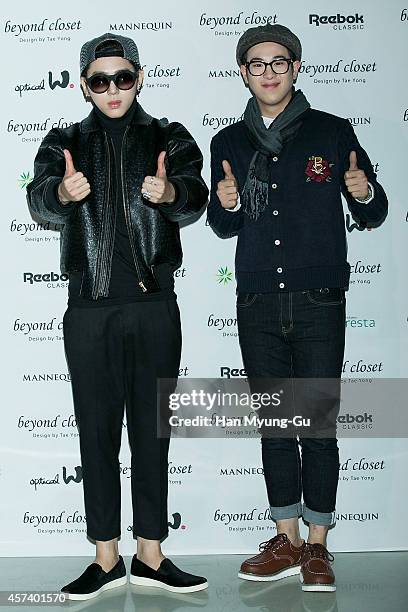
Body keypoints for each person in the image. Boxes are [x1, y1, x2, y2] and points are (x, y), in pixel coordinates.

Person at [27, 32, 209, 601]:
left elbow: (197, 196)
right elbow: (36, 199)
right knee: (96, 434)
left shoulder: (169, 136)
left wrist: (169, 191)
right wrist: (61, 191)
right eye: (100, 80)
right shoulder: (63, 141)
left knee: (152, 434)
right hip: (89, 309)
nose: (112, 89)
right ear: (84, 84)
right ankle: (105, 557)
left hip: (155, 305)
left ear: (139, 78)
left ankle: (151, 554)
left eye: (123, 77)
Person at [207, 24, 387, 592]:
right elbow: (222, 224)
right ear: (243, 71)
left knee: (317, 426)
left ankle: (317, 546)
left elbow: (375, 210)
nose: (268, 71)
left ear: (296, 68)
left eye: (278, 62)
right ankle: (285, 539)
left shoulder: (332, 133)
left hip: (318, 299)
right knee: (277, 426)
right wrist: (226, 203)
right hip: (258, 298)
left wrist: (361, 192)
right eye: (256, 63)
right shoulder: (228, 142)